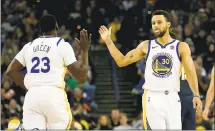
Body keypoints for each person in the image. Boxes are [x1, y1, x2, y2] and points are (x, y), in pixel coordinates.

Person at [99, 10, 202, 129]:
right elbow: (121, 61)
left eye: (159, 22)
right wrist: (108, 41)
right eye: (153, 23)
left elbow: (190, 72)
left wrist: (196, 95)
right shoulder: (146, 46)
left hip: (173, 97)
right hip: (152, 98)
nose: (155, 26)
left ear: (168, 24)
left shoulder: (181, 47)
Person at [6, 14, 91, 129]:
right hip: (53, 96)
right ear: (56, 27)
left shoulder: (29, 46)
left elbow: (11, 71)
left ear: (40, 30)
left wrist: (29, 85)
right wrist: (85, 51)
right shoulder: (61, 45)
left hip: (32, 96)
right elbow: (81, 76)